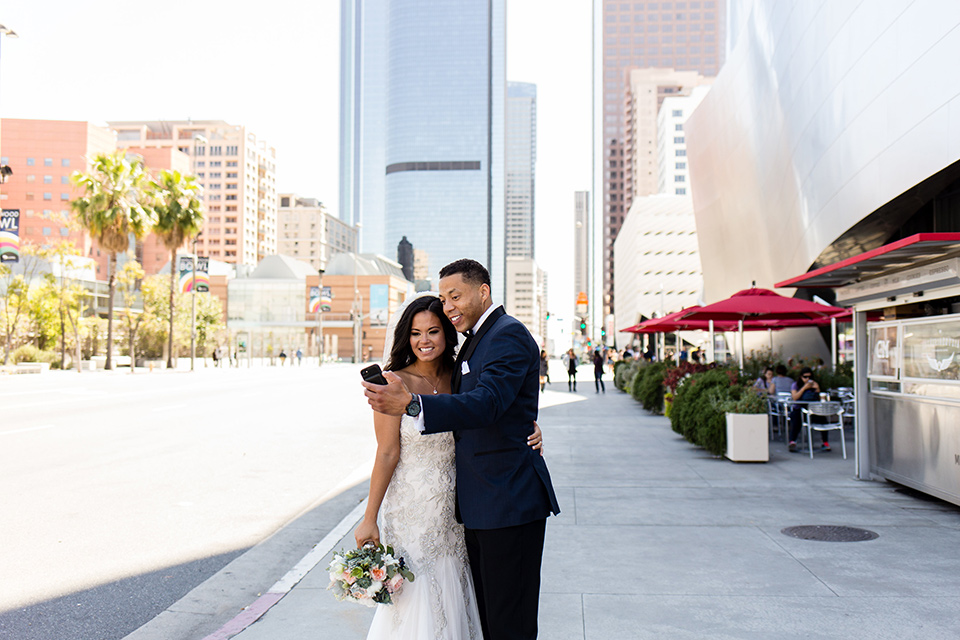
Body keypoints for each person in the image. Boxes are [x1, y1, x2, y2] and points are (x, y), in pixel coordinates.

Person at [362, 259, 560, 640]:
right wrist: (524, 421)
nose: (449, 305)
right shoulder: (473, 345)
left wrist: (413, 405)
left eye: (456, 296)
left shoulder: (507, 334)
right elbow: (491, 405)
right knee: (488, 618)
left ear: (483, 292)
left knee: (509, 623)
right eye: (444, 298)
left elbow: (487, 403)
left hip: (507, 502)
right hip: (469, 508)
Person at [787, 366, 830, 452]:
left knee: (823, 419)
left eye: (809, 377)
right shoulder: (795, 385)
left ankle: (825, 442)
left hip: (812, 410)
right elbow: (795, 398)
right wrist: (804, 388)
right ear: (801, 377)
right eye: (805, 377)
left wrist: (817, 389)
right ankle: (793, 441)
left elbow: (819, 399)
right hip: (799, 409)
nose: (807, 379)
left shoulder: (814, 385)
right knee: (796, 418)